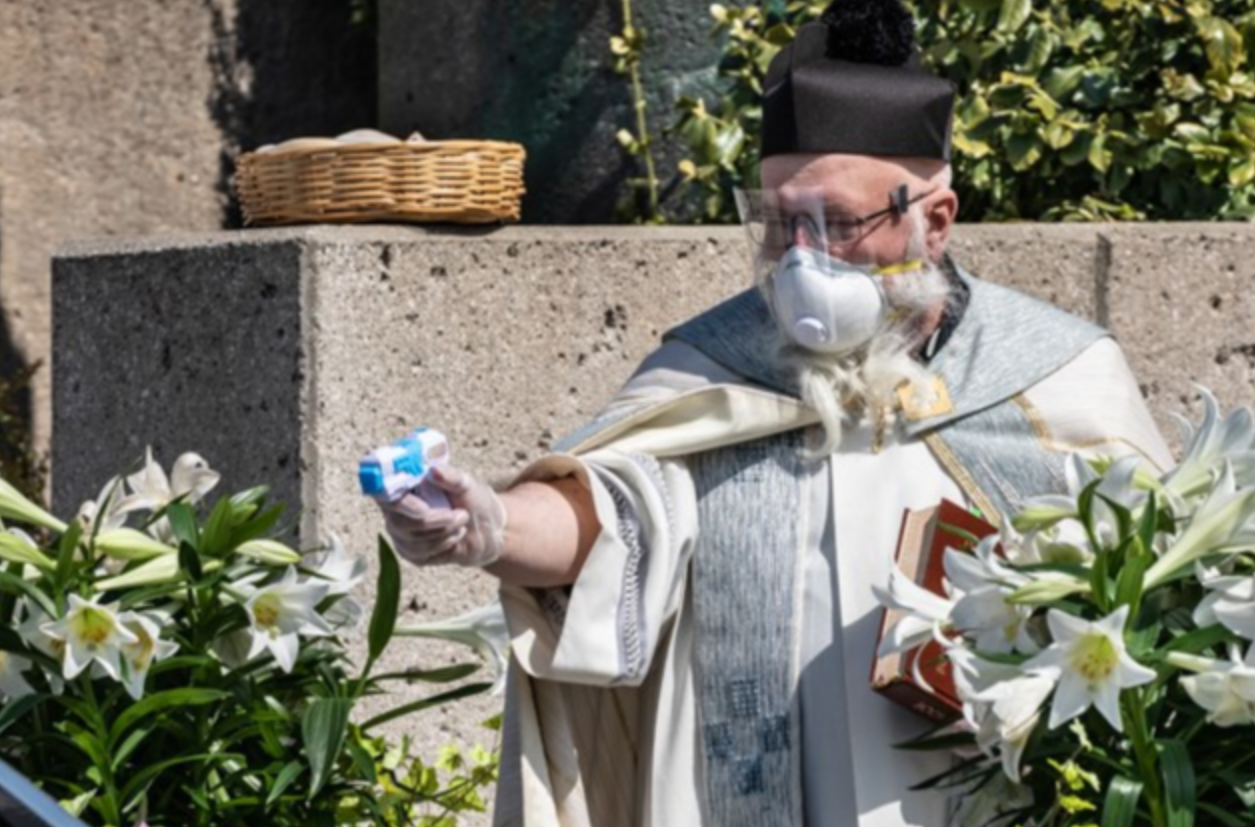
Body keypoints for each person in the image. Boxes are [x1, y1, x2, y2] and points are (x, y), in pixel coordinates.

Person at [377, 1, 1172, 825]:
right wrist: (491, 525)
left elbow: (1157, 588)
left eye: (836, 221)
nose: (800, 255)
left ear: (933, 219)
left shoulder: (1054, 375)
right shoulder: (713, 364)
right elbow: (613, 510)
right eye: (779, 220)